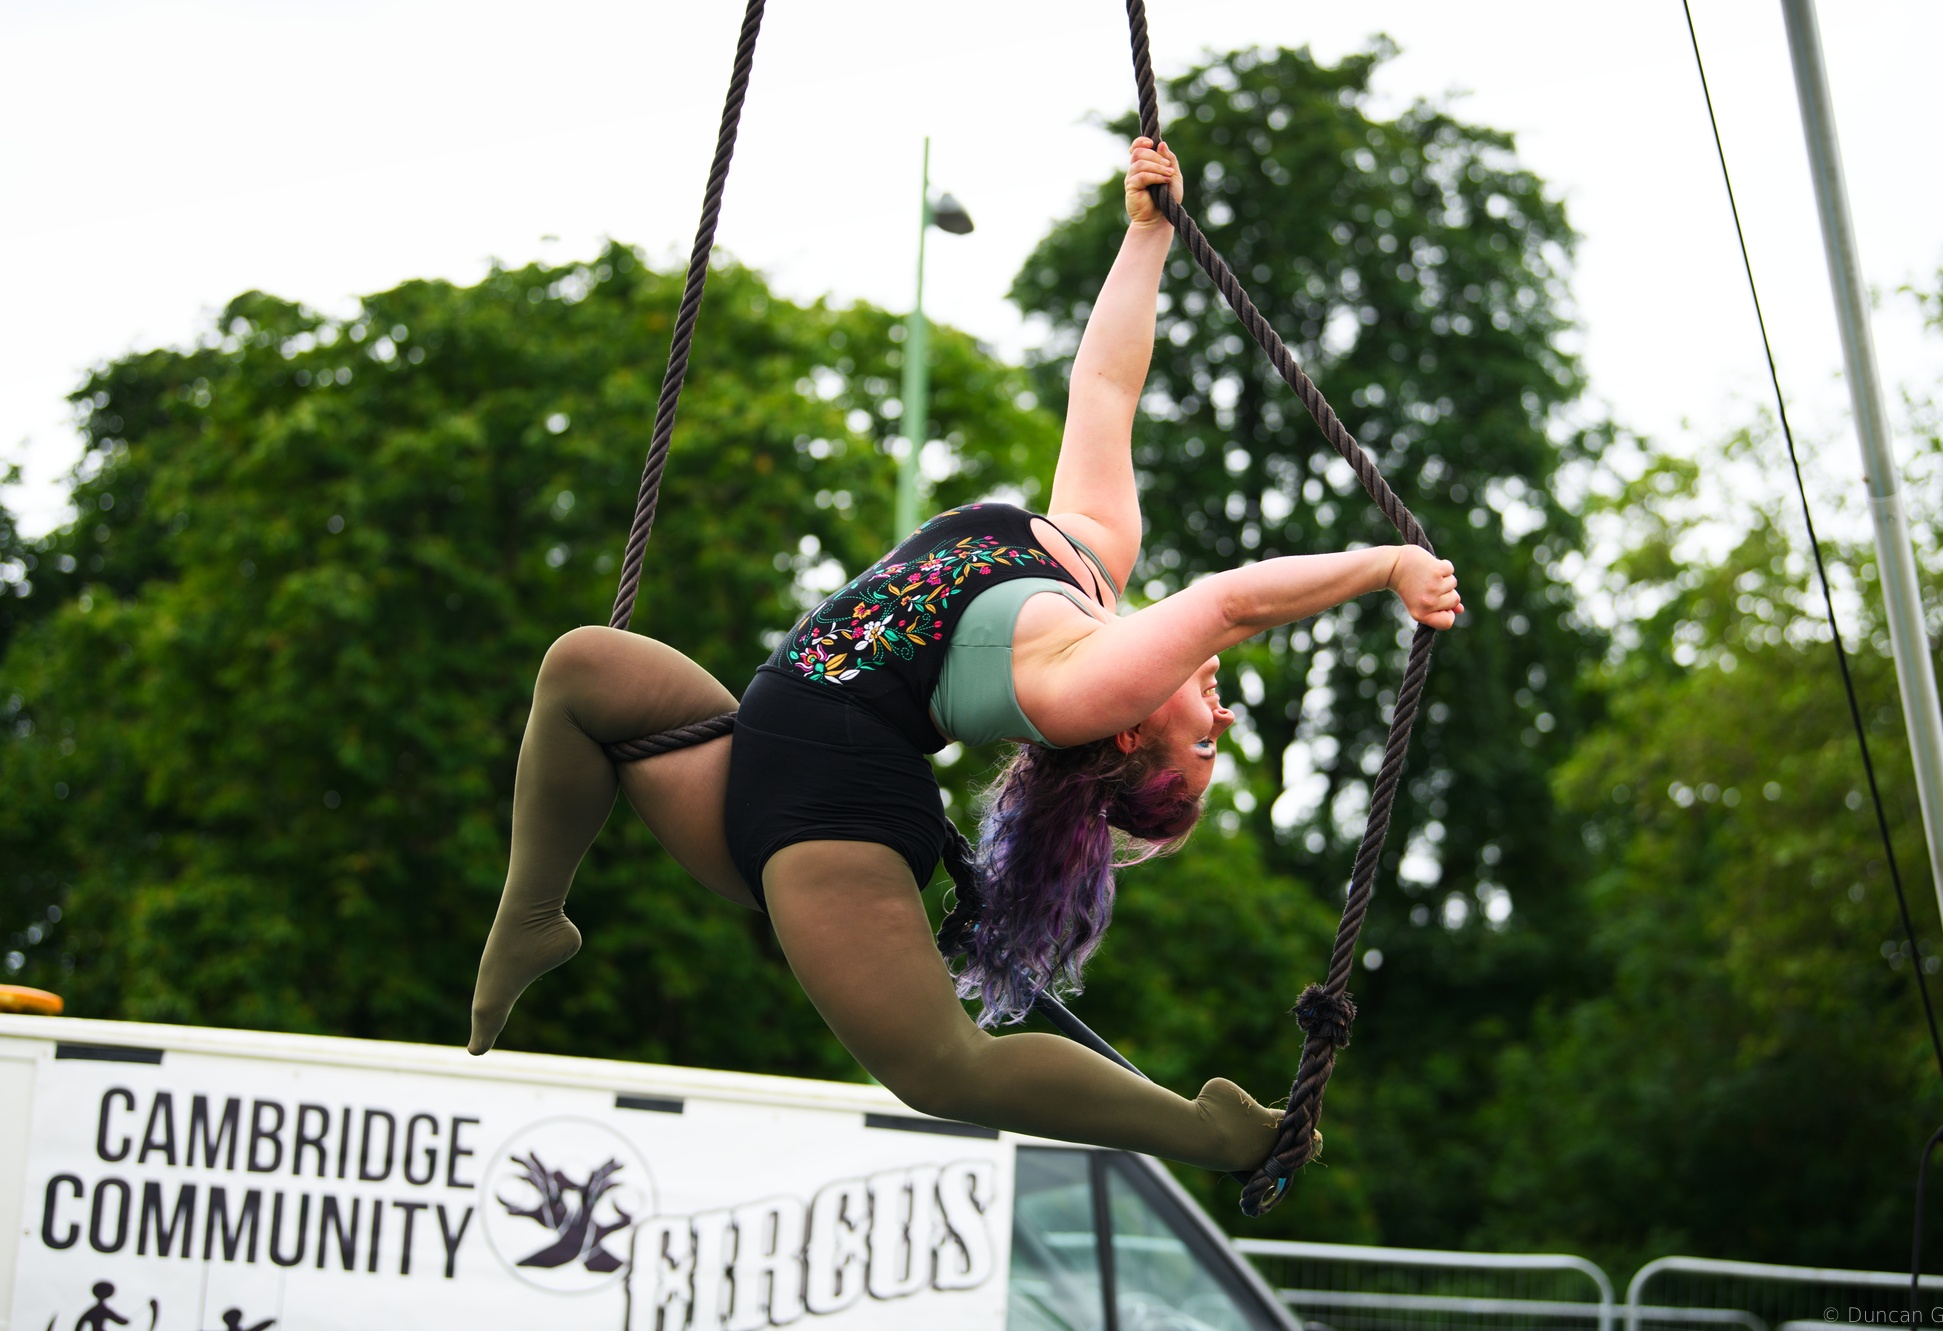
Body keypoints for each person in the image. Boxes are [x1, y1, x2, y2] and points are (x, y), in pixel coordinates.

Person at [469, 139, 1463, 1175]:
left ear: (1130, 734)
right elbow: (1104, 387)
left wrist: (1385, 564)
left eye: (1203, 746)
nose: (1222, 718)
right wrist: (1145, 238)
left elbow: (1227, 604)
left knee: (944, 1070)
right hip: (749, 759)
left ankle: (1206, 1132)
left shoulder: (1081, 691)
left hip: (833, 819)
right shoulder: (1089, 561)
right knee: (584, 669)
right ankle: (532, 914)